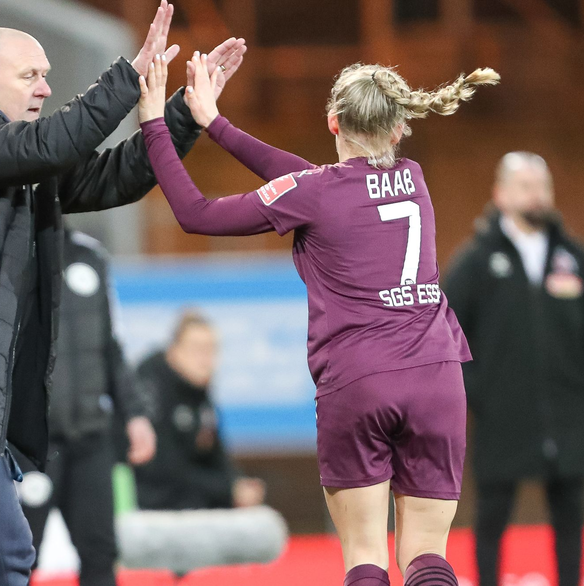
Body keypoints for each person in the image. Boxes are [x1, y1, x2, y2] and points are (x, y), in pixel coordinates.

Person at [0, 0, 247, 585]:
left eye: (45, 74)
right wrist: (129, 78)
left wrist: (185, 112)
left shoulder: (10, 155)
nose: (45, 86)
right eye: (29, 75)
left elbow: (115, 176)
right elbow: (46, 148)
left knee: (9, 555)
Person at [137, 53, 499, 585]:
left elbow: (196, 214)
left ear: (333, 121)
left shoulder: (317, 191)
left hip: (359, 379)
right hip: (437, 374)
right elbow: (309, 180)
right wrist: (216, 124)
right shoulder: (414, 178)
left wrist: (153, 125)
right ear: (400, 127)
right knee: (426, 552)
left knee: (366, 555)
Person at [443, 153, 584, 586]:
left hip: (566, 414)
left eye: (542, 185)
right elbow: (444, 330)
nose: (537, 195)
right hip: (501, 415)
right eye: (525, 186)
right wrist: (475, 391)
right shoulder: (476, 262)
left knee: (570, 518)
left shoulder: (571, 258)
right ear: (500, 195)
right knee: (492, 516)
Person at [14, 225, 156, 586]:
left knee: (100, 551)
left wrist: (135, 413)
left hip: (92, 437)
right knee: (19, 555)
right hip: (32, 445)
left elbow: (111, 345)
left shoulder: (91, 256)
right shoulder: (8, 252)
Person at [133, 310, 266, 511]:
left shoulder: (199, 391)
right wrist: (227, 489)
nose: (206, 359)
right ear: (174, 351)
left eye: (212, 350)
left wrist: (237, 484)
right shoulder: (150, 387)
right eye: (197, 349)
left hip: (193, 503)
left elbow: (216, 453)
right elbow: (164, 471)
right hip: (152, 505)